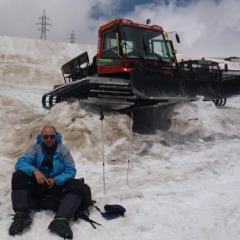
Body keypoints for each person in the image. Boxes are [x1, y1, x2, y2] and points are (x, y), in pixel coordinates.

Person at [9, 125, 86, 239]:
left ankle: (60, 220)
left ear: (56, 136)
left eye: (52, 136)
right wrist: (35, 171)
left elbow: (71, 171)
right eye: (46, 137)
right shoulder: (35, 148)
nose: (49, 139)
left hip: (56, 185)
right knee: (18, 176)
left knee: (80, 186)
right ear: (41, 137)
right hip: (38, 184)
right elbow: (20, 163)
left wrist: (56, 180)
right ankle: (21, 216)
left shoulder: (63, 151)